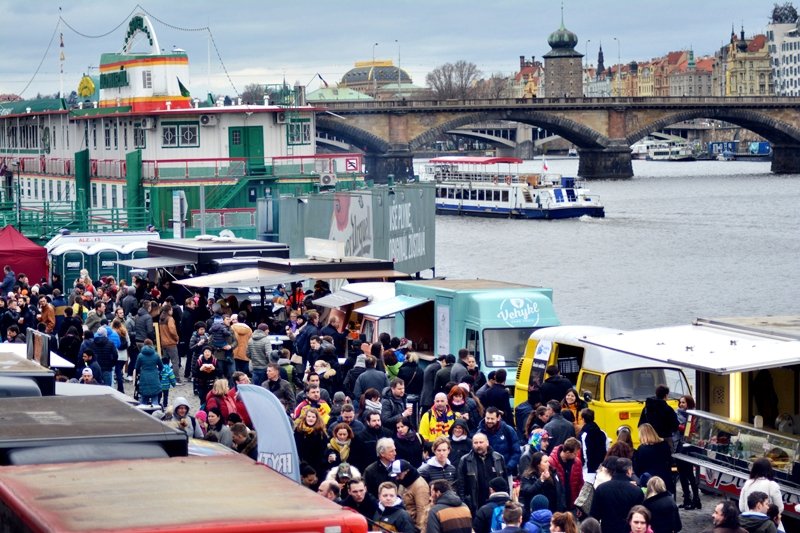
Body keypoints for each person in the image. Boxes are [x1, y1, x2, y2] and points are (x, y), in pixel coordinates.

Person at [456, 432, 508, 513]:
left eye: (481, 442)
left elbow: (505, 482)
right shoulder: (465, 460)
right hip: (475, 503)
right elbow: (461, 485)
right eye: (475, 443)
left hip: (496, 503)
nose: (478, 445)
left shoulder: (498, 458)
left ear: (487, 443)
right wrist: (463, 503)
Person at [590, 457, 644, 533]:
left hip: (607, 529)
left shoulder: (601, 488)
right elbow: (640, 514)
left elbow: (594, 515)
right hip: (628, 530)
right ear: (629, 470)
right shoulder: (636, 491)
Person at [675, 394, 701, 510]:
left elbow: (690, 431)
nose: (681, 404)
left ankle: (695, 499)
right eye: (680, 402)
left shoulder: (693, 416)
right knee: (682, 474)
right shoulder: (679, 414)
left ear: (689, 403)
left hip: (688, 447)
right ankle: (687, 498)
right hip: (681, 445)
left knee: (689, 474)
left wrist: (677, 426)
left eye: (683, 402)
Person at [477, 406, 521, 475]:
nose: (489, 421)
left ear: (498, 418)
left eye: (492, 419)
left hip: (505, 472)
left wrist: (508, 467)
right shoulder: (480, 432)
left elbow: (516, 451)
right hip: (486, 473)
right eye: (487, 418)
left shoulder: (508, 430)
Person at [634, 423, 675, 496]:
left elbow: (638, 468)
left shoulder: (642, 449)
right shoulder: (664, 445)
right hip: (665, 480)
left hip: (649, 481)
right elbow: (669, 461)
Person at [520, 450, 565, 515]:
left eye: (548, 461)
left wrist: (562, 506)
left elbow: (561, 489)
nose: (548, 464)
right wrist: (541, 480)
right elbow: (528, 491)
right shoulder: (528, 476)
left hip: (555, 511)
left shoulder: (553, 472)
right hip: (537, 512)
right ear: (538, 464)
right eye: (545, 462)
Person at [391, 459, 431, 533]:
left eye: (398, 475)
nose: (396, 478)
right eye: (395, 475)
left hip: (412, 527)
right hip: (402, 523)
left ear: (406, 471)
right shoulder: (404, 481)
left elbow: (422, 510)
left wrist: (419, 529)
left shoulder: (420, 486)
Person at [548, 437, 583, 512]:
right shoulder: (551, 462)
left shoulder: (577, 463)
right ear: (567, 452)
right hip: (557, 506)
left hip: (572, 505)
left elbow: (580, 483)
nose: (577, 456)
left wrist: (579, 505)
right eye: (575, 453)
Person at [293, 407, 329, 479]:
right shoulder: (298, 430)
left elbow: (323, 451)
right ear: (305, 417)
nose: (311, 418)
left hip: (316, 467)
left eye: (313, 417)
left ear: (317, 419)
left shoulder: (321, 433)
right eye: (309, 416)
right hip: (301, 464)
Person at [578, 408, 607, 484]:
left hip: (587, 470)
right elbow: (606, 449)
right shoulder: (602, 433)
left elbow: (583, 452)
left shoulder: (583, 435)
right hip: (601, 470)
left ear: (583, 419)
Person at [134, 340, 163, 405]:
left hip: (144, 377)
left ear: (144, 345)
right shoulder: (156, 355)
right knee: (155, 398)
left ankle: (142, 413)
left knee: (143, 398)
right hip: (154, 377)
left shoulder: (140, 355)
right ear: (152, 345)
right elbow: (161, 367)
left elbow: (137, 367)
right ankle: (155, 413)